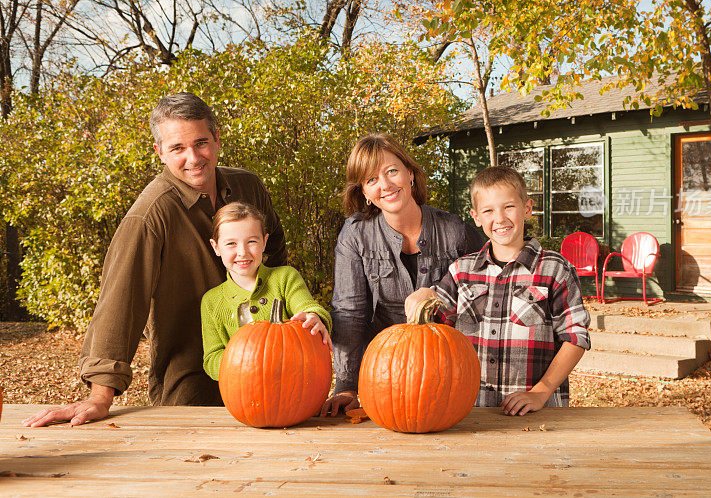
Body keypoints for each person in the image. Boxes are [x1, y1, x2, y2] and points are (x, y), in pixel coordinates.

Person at [23, 93, 287, 427]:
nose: (193, 157)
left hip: (269, 365)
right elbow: (121, 300)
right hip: (193, 377)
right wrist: (100, 396)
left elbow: (275, 252)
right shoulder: (150, 215)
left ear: (217, 140)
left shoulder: (249, 187)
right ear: (159, 152)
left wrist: (283, 319)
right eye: (178, 148)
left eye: (201, 142)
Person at [319, 133, 484, 416]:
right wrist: (346, 385)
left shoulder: (454, 230)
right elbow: (349, 312)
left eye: (391, 171)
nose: (385, 185)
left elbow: (493, 276)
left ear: (410, 173)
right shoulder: (356, 235)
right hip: (383, 374)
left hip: (446, 371)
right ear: (365, 194)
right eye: (371, 180)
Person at [405, 165, 591, 416]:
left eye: (509, 207)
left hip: (537, 412)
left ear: (527, 208)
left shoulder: (554, 269)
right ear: (476, 217)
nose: (500, 218)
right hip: (472, 410)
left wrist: (541, 391)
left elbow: (575, 337)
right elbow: (434, 322)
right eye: (488, 210)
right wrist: (423, 296)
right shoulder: (461, 271)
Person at [201, 202, 331, 380]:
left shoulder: (285, 278)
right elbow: (211, 359)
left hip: (295, 385)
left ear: (264, 242)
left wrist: (314, 317)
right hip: (244, 394)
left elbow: (308, 307)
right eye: (231, 243)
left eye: (252, 242)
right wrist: (245, 360)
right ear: (216, 247)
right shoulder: (211, 301)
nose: (242, 252)